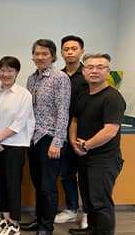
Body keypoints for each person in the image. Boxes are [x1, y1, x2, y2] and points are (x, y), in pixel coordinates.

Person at [68, 53, 125, 235]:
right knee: (88, 198)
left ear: (108, 71)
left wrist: (87, 145)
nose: (94, 71)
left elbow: (110, 130)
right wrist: (73, 142)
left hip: (104, 159)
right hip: (85, 156)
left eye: (100, 67)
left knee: (101, 202)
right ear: (84, 71)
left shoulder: (113, 98)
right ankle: (92, 229)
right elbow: (75, 120)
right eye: (90, 67)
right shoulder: (84, 94)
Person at [20, 39, 70, 235]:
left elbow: (63, 112)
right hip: (32, 138)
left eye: (44, 54)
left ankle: (46, 227)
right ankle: (39, 220)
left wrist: (58, 142)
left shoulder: (60, 78)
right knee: (38, 183)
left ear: (53, 56)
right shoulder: (31, 78)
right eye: (37, 54)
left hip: (49, 139)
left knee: (48, 186)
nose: (40, 57)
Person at [0, 56, 35, 235]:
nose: (6, 74)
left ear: (17, 73)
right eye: (3, 70)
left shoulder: (24, 94)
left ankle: (14, 223)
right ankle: (4, 218)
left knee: (13, 184)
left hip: (14, 145)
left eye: (10, 70)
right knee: (0, 182)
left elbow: (20, 122)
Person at [54, 35, 89, 228]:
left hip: (84, 135)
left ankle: (87, 213)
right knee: (66, 173)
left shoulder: (88, 75)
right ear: (61, 53)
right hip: (62, 134)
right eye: (66, 49)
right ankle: (71, 209)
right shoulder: (58, 76)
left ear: (81, 51)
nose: (69, 52)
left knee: (85, 176)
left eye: (74, 48)